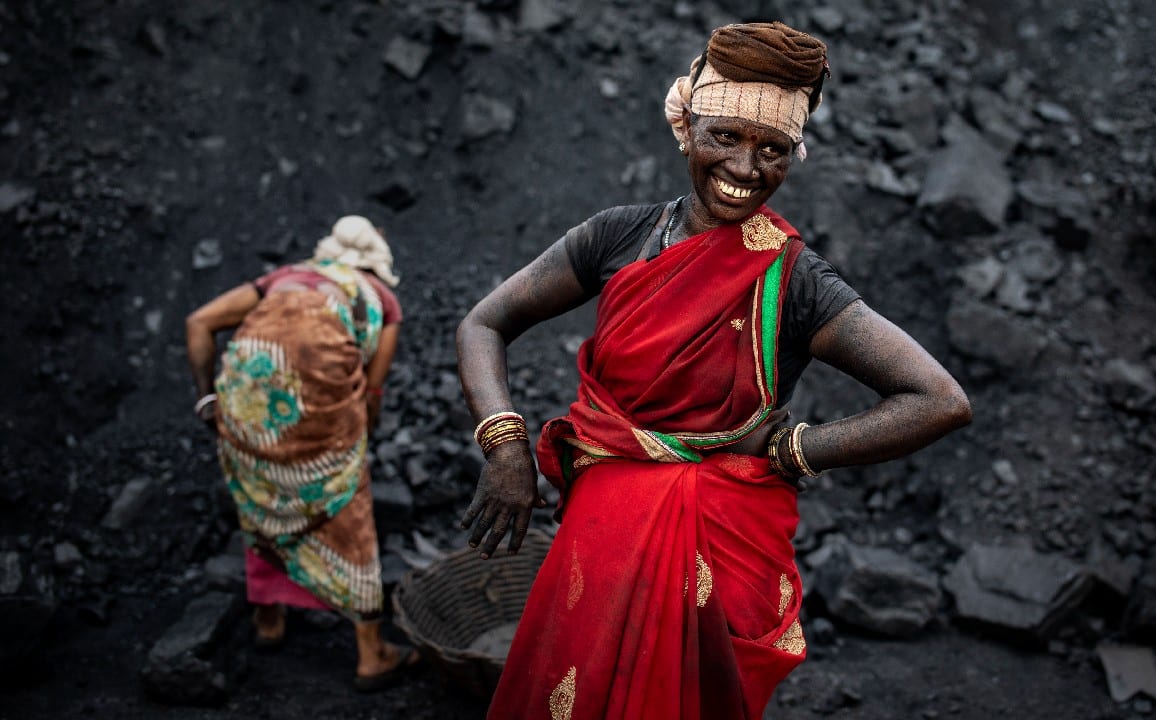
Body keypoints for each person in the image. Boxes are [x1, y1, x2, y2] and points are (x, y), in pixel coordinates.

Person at [455, 21, 972, 719]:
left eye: (773, 149)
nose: (745, 168)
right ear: (686, 126)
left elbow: (939, 399)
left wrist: (796, 450)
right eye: (725, 136)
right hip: (600, 536)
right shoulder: (620, 236)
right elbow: (484, 323)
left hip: (717, 544)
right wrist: (505, 444)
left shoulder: (795, 281)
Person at [185, 215, 419, 692]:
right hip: (321, 402)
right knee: (346, 505)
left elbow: (199, 322)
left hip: (245, 398)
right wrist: (354, 449)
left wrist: (208, 398)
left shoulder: (287, 277)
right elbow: (371, 393)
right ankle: (371, 653)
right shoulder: (382, 300)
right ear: (377, 263)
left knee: (260, 495)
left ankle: (269, 619)